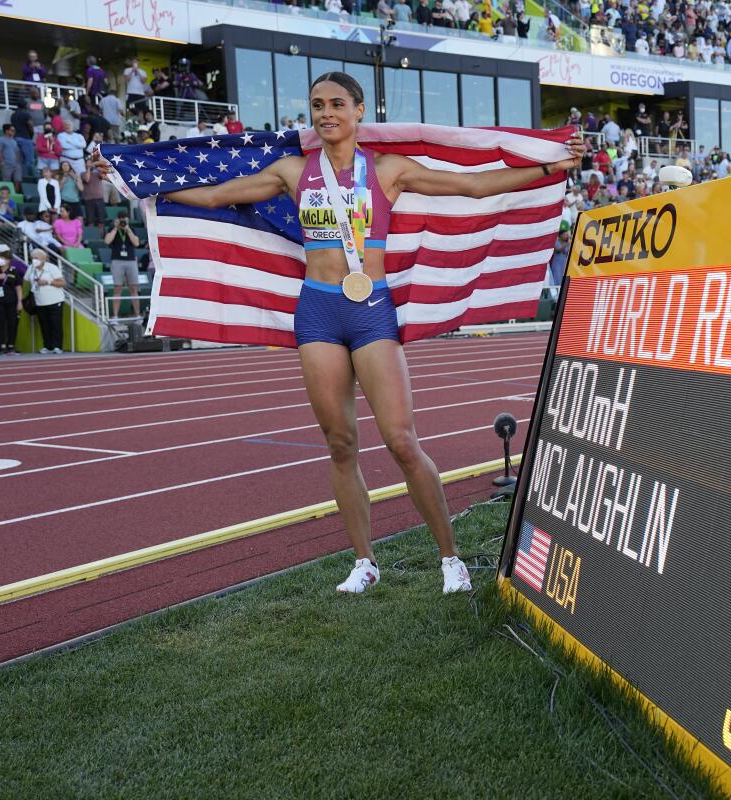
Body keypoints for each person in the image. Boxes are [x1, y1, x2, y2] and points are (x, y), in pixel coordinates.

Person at [97, 71, 583, 593]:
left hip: (371, 308)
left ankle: (450, 559)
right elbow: (218, 196)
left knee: (400, 439)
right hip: (318, 312)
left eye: (335, 104)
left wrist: (545, 167)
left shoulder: (388, 170)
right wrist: (132, 176)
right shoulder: (292, 170)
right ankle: (364, 562)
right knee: (340, 442)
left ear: (357, 112)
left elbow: (472, 185)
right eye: (316, 105)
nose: (325, 113)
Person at [25, 248, 65, 353]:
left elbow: (62, 283)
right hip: (39, 302)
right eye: (32, 258)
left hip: (55, 301)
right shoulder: (31, 268)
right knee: (44, 325)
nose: (34, 260)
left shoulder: (52, 268)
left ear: (43, 259)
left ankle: (57, 346)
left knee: (56, 324)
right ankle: (47, 346)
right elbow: (26, 281)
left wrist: (48, 282)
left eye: (36, 258)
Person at [103, 212, 141, 319]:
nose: (123, 222)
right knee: (117, 288)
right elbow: (107, 241)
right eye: (121, 219)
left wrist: (128, 230)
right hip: (117, 260)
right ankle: (115, 315)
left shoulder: (131, 229)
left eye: (124, 219)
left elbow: (136, 243)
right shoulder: (112, 228)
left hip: (131, 260)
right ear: (117, 220)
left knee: (134, 288)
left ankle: (137, 314)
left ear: (128, 219)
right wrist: (115, 228)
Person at [0, 245, 23, 354]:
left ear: (8, 260)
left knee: (12, 322)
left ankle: (11, 345)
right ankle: (1, 345)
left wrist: (20, 302)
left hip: (12, 301)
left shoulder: (14, 270)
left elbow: (18, 287)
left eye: (3, 258)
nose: (0, 260)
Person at [81, 155, 108, 232]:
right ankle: (92, 236)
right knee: (90, 221)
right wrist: (89, 168)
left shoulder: (97, 173)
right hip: (89, 200)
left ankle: (101, 238)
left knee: (101, 221)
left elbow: (103, 173)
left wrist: (95, 165)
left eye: (91, 163)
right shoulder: (83, 174)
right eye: (88, 163)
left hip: (99, 199)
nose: (89, 164)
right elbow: (87, 179)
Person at [0, 124, 23, 191]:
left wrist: (18, 163)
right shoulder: (1, 139)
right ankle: (7, 198)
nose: (14, 132)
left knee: (18, 180)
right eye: (12, 130)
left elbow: (17, 152)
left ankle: (15, 196)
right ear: (6, 131)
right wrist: (2, 162)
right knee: (6, 182)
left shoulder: (14, 141)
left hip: (16, 164)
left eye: (14, 130)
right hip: (6, 164)